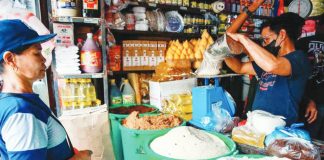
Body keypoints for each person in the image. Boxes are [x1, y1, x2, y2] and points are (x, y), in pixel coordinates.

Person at [0, 19, 91, 160]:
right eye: (36, 53)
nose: (43, 59)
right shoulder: (21, 112)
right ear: (10, 59)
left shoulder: (16, 101)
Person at [224, 12, 310, 125]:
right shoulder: (269, 60)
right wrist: (222, 52)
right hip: (258, 123)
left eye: (267, 39)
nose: (264, 45)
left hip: (280, 128)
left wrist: (244, 39)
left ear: (282, 35)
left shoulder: (298, 58)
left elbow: (272, 66)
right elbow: (240, 67)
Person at [296, 14, 324, 140]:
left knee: (304, 138)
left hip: (305, 97)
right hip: (313, 98)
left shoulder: (302, 42)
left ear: (318, 25)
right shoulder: (302, 43)